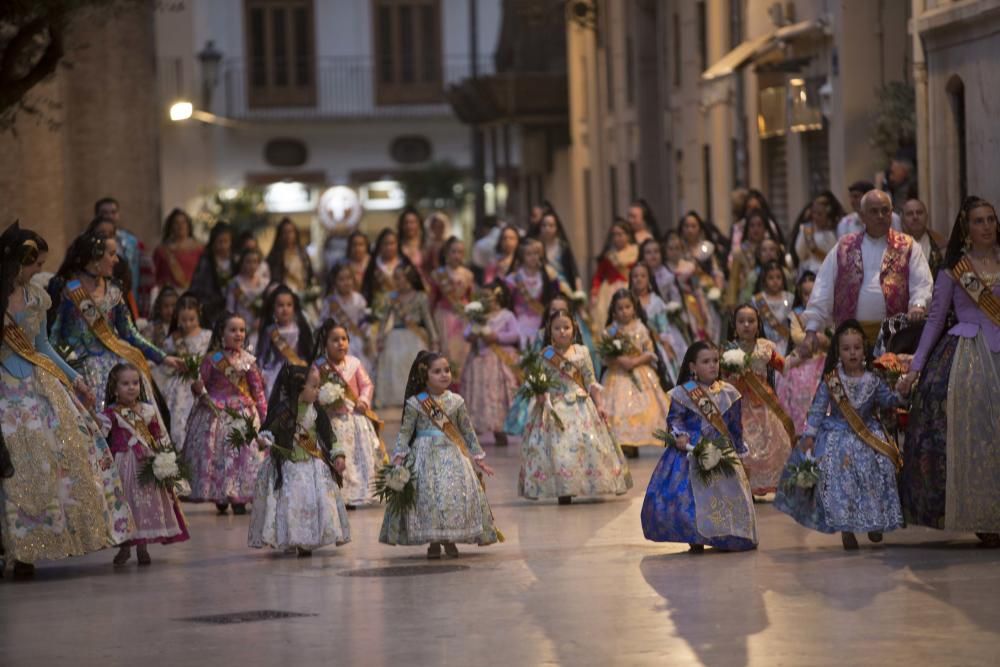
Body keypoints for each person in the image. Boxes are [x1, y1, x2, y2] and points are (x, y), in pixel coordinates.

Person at [0, 224, 134, 577]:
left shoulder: (37, 297)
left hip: (38, 384)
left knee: (56, 455)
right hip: (5, 389)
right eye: (35, 264)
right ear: (16, 262)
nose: (38, 271)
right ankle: (13, 547)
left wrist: (75, 380)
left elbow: (43, 346)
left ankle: (37, 544)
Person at [896, 196, 1000, 546]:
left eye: (991, 220)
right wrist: (915, 368)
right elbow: (935, 320)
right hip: (968, 359)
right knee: (976, 439)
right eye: (979, 221)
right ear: (966, 229)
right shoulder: (954, 269)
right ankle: (982, 515)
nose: (987, 227)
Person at [774, 320, 903, 550]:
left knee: (879, 467)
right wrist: (810, 436)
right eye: (846, 348)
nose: (852, 353)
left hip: (867, 433)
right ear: (838, 352)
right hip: (837, 433)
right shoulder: (831, 381)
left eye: (857, 347)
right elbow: (817, 409)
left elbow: (889, 401)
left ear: (864, 349)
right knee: (842, 474)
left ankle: (875, 522)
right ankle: (847, 528)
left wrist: (901, 391)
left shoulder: (874, 380)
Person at [378, 351, 500, 557]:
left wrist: (478, 458)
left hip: (452, 455)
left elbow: (467, 431)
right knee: (428, 497)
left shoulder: (456, 401)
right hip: (423, 456)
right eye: (437, 372)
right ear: (424, 376)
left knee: (449, 496)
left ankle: (449, 538)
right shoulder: (416, 403)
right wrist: (398, 456)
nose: (444, 375)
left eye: (447, 370)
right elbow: (405, 432)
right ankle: (434, 541)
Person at [640, 341, 757, 552]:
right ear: (693, 367)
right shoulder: (684, 392)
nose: (713, 366)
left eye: (715, 361)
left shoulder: (729, 392)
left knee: (725, 496)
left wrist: (738, 452)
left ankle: (724, 534)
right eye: (706, 362)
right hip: (691, 450)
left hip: (721, 450)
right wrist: (680, 435)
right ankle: (695, 536)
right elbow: (675, 419)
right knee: (690, 496)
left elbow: (734, 427)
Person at [50, 231, 182, 417]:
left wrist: (163, 357)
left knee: (133, 377)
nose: (117, 260)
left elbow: (129, 333)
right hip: (77, 365)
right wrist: (66, 362)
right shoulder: (66, 289)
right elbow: (53, 336)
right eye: (111, 254)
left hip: (114, 358)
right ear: (95, 257)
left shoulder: (114, 290)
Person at [798, 190, 933, 354]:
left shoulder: (908, 246)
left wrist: (918, 305)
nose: (880, 215)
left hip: (895, 339)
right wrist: (811, 330)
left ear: (892, 214)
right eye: (874, 211)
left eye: (885, 210)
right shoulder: (844, 247)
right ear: (862, 216)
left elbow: (922, 282)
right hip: (850, 342)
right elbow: (823, 288)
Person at [518, 309, 632, 503]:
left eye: (566, 327)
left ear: (574, 329)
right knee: (558, 448)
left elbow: (590, 381)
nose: (562, 331)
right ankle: (564, 489)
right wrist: (539, 394)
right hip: (554, 407)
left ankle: (588, 484)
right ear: (549, 331)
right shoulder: (546, 354)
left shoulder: (582, 352)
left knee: (586, 445)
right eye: (557, 328)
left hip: (580, 406)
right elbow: (540, 380)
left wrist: (600, 405)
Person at [248, 364, 350, 556]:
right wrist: (264, 439)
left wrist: (338, 454)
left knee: (310, 503)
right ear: (299, 388)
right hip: (289, 466)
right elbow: (268, 431)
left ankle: (306, 541)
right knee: (291, 502)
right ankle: (291, 538)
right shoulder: (283, 410)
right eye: (314, 386)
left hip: (312, 465)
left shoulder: (315, 410)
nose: (318, 390)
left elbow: (329, 436)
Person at [101, 363, 189, 566]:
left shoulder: (148, 410)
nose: (131, 387)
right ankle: (125, 546)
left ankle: (143, 547)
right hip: (124, 465)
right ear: (114, 389)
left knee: (146, 504)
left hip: (147, 465)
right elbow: (101, 431)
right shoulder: (112, 413)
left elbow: (158, 436)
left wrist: (165, 460)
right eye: (125, 383)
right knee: (128, 503)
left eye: (135, 382)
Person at [184, 312, 268, 514]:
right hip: (216, 413)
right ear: (222, 333)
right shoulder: (212, 359)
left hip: (244, 411)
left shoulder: (249, 361)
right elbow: (201, 385)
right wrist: (197, 387)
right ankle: (220, 493)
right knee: (219, 454)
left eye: (242, 330)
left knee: (243, 454)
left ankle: (240, 494)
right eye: (233, 330)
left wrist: (264, 416)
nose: (238, 334)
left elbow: (257, 390)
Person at [312, 320, 385, 508]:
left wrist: (363, 400)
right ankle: (340, 493)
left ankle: (358, 493)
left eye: (344, 339)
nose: (340, 344)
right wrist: (323, 399)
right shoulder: (319, 366)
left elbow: (367, 384)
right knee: (339, 457)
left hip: (356, 420)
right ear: (325, 344)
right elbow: (313, 389)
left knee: (357, 458)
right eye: (335, 340)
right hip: (333, 422)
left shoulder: (355, 363)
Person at [725, 304, 794, 496]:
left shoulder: (765, 348)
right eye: (741, 321)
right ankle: (745, 484)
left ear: (758, 323)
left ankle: (766, 482)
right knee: (744, 442)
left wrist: (801, 356)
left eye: (751, 321)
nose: (746, 325)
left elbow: (784, 366)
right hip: (738, 405)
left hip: (764, 404)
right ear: (734, 325)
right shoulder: (729, 349)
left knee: (771, 442)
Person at [600, 289, 671, 458]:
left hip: (640, 372)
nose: (624, 311)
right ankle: (624, 444)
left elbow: (650, 351)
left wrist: (634, 361)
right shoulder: (610, 331)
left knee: (645, 408)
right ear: (614, 311)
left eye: (627, 307)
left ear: (634, 308)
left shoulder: (641, 328)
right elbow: (604, 356)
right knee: (619, 407)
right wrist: (619, 360)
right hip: (617, 375)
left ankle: (637, 441)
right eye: (620, 308)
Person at [459, 283, 521, 447]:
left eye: (488, 296)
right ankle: (477, 428)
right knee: (479, 393)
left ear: (498, 296)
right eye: (482, 296)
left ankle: (500, 429)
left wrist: (497, 337)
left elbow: (515, 335)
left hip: (498, 362)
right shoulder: (478, 316)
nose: (485, 300)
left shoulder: (506, 315)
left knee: (498, 393)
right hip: (478, 363)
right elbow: (466, 334)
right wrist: (473, 335)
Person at [375, 265, 439, 408]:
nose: (397, 281)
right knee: (394, 364)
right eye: (395, 278)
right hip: (395, 336)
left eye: (400, 278)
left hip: (415, 337)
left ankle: (416, 397)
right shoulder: (392, 297)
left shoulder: (421, 297)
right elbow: (384, 319)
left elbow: (427, 319)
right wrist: (379, 337)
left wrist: (434, 338)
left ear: (410, 278)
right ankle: (397, 399)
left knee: (413, 365)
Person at [777, 272, 827, 435]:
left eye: (813, 294)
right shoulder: (796, 315)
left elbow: (831, 335)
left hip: (821, 359)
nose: (810, 298)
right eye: (806, 294)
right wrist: (815, 337)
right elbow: (796, 336)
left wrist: (824, 340)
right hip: (803, 359)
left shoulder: (826, 313)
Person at [160, 293, 212, 448]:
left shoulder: (207, 336)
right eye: (183, 320)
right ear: (177, 318)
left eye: (192, 319)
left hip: (202, 382)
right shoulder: (172, 339)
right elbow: (165, 362)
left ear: (199, 316)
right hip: (179, 385)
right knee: (178, 420)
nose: (188, 324)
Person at [95, 197, 154, 317]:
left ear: (118, 214)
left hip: (127, 297)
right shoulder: (84, 243)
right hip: (95, 297)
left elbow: (146, 275)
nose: (109, 216)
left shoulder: (132, 242)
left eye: (113, 212)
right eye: (104, 213)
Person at [629, 262, 685, 382]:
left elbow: (663, 327)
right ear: (631, 279)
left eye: (643, 276)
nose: (639, 279)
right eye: (635, 276)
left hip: (655, 344)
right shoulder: (628, 302)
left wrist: (667, 346)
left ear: (649, 279)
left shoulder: (656, 301)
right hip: (631, 345)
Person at [429, 237, 474, 380]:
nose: (457, 255)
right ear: (446, 254)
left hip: (463, 319)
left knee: (463, 353)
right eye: (453, 252)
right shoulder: (438, 274)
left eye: (460, 252)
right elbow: (432, 300)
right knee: (446, 352)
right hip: (444, 317)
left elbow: (471, 298)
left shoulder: (468, 275)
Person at [256, 285, 314, 398]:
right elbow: (262, 355)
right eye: (280, 305)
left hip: (299, 367)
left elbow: (307, 351)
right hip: (277, 371)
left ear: (294, 307)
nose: (285, 309)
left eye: (289, 305)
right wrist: (259, 372)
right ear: (273, 308)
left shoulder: (300, 327)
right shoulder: (270, 331)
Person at [664, 231, 721, 342]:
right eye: (671, 249)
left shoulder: (690, 267)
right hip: (672, 304)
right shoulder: (664, 269)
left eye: (677, 248)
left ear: (682, 249)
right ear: (665, 251)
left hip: (690, 303)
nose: (674, 252)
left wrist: (703, 308)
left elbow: (697, 288)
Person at [505, 237, 561, 348]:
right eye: (529, 254)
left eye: (536, 253)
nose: (533, 257)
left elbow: (556, 297)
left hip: (542, 324)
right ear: (521, 256)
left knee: (544, 354)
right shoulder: (513, 278)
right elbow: (506, 303)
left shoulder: (548, 275)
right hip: (518, 324)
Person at [319, 263, 373, 375]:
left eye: (349, 278)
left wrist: (367, 339)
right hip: (336, 344)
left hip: (357, 342)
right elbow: (322, 323)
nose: (346, 282)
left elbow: (364, 322)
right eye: (341, 279)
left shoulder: (359, 300)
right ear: (334, 282)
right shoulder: (330, 302)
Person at [590, 219, 639, 327]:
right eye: (614, 235)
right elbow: (598, 276)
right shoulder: (609, 256)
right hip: (608, 292)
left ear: (628, 235)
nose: (617, 238)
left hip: (629, 289)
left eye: (620, 234)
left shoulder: (636, 254)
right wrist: (595, 291)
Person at [190, 222, 236, 328]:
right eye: (220, 242)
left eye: (226, 241)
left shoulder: (235, 261)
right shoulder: (206, 262)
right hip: (211, 313)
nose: (223, 245)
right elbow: (197, 289)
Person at [361, 228, 409, 321]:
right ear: (379, 245)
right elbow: (367, 289)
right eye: (385, 244)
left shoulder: (405, 263)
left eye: (392, 243)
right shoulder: (374, 265)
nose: (389, 247)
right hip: (379, 312)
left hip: (402, 310)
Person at [225, 247, 268, 351]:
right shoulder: (235, 283)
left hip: (260, 327)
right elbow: (229, 309)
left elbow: (269, 308)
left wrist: (262, 320)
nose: (252, 265)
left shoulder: (265, 283)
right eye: (248, 262)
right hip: (240, 328)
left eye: (255, 262)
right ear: (242, 263)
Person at [791, 192, 842, 277]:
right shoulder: (806, 230)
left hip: (825, 274)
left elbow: (832, 258)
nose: (816, 217)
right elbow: (800, 254)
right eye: (814, 213)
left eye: (820, 214)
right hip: (807, 272)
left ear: (828, 215)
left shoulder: (832, 234)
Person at [153, 208, 203, 291]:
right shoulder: (162, 251)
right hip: (170, 297)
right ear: (171, 226)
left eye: (183, 222)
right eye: (176, 223)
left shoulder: (199, 249)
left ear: (188, 225)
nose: (181, 226)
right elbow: (156, 277)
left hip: (195, 294)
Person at [751, 262, 794, 356]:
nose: (775, 281)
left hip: (786, 343)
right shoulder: (757, 300)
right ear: (764, 280)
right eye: (771, 278)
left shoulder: (790, 298)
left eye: (778, 277)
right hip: (764, 344)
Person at [534, 208, 582, 291]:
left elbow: (573, 271)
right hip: (541, 289)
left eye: (551, 225)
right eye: (544, 225)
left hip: (563, 289)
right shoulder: (535, 247)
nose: (547, 229)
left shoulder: (563, 247)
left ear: (557, 228)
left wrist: (579, 291)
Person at [267, 217, 315, 299]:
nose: (288, 235)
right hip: (284, 295)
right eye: (285, 232)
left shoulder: (302, 253)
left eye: (291, 231)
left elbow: (309, 274)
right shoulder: (276, 255)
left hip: (303, 292)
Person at [837, 181, 902, 238]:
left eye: (856, 196)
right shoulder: (845, 223)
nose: (852, 201)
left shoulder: (892, 218)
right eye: (851, 197)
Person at [901, 198, 946, 279]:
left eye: (919, 212)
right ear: (903, 219)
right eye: (910, 214)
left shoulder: (941, 245)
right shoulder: (894, 248)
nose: (915, 217)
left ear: (927, 216)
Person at [397, 206, 428, 284]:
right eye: (406, 223)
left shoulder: (426, 245)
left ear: (419, 224)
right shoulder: (396, 246)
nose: (409, 226)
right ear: (401, 225)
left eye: (413, 222)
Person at [142, 286, 178, 351]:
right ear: (159, 308)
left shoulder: (181, 326)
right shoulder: (152, 327)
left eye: (173, 305)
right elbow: (145, 348)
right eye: (166, 306)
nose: (170, 310)